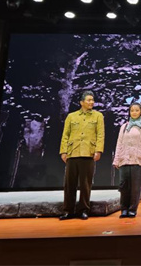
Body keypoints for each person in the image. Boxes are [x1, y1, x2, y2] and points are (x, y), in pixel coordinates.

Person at [59, 90, 105, 220]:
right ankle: (68, 210)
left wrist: (98, 150)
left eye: (92, 100)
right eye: (89, 100)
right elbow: (65, 135)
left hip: (88, 152)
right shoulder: (71, 116)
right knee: (70, 184)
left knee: (85, 184)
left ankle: (83, 209)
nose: (91, 102)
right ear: (81, 102)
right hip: (73, 152)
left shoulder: (98, 116)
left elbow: (100, 134)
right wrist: (63, 151)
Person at [112, 103, 141, 218]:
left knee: (135, 187)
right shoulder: (124, 126)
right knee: (124, 186)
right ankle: (124, 209)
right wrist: (116, 160)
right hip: (124, 159)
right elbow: (119, 143)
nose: (134, 112)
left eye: (136, 110)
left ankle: (132, 209)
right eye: (132, 110)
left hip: (138, 160)